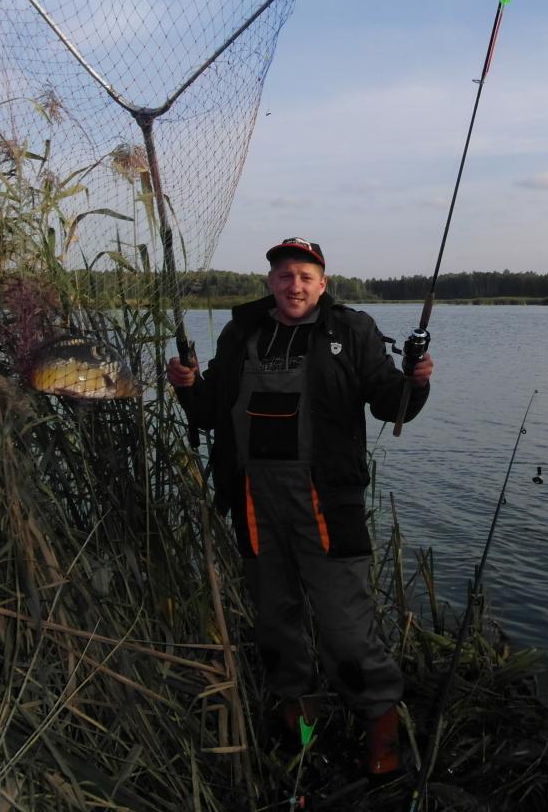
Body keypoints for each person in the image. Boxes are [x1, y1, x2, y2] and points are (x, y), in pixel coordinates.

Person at [168, 237, 433, 776]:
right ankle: (301, 726)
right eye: (285, 276)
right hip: (253, 498)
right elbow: (211, 411)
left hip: (326, 502)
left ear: (323, 284)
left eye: (306, 277)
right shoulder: (242, 331)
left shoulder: (351, 330)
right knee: (275, 622)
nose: (295, 286)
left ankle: (381, 734)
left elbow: (391, 404)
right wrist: (187, 386)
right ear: (270, 282)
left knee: (345, 624)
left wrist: (415, 379)